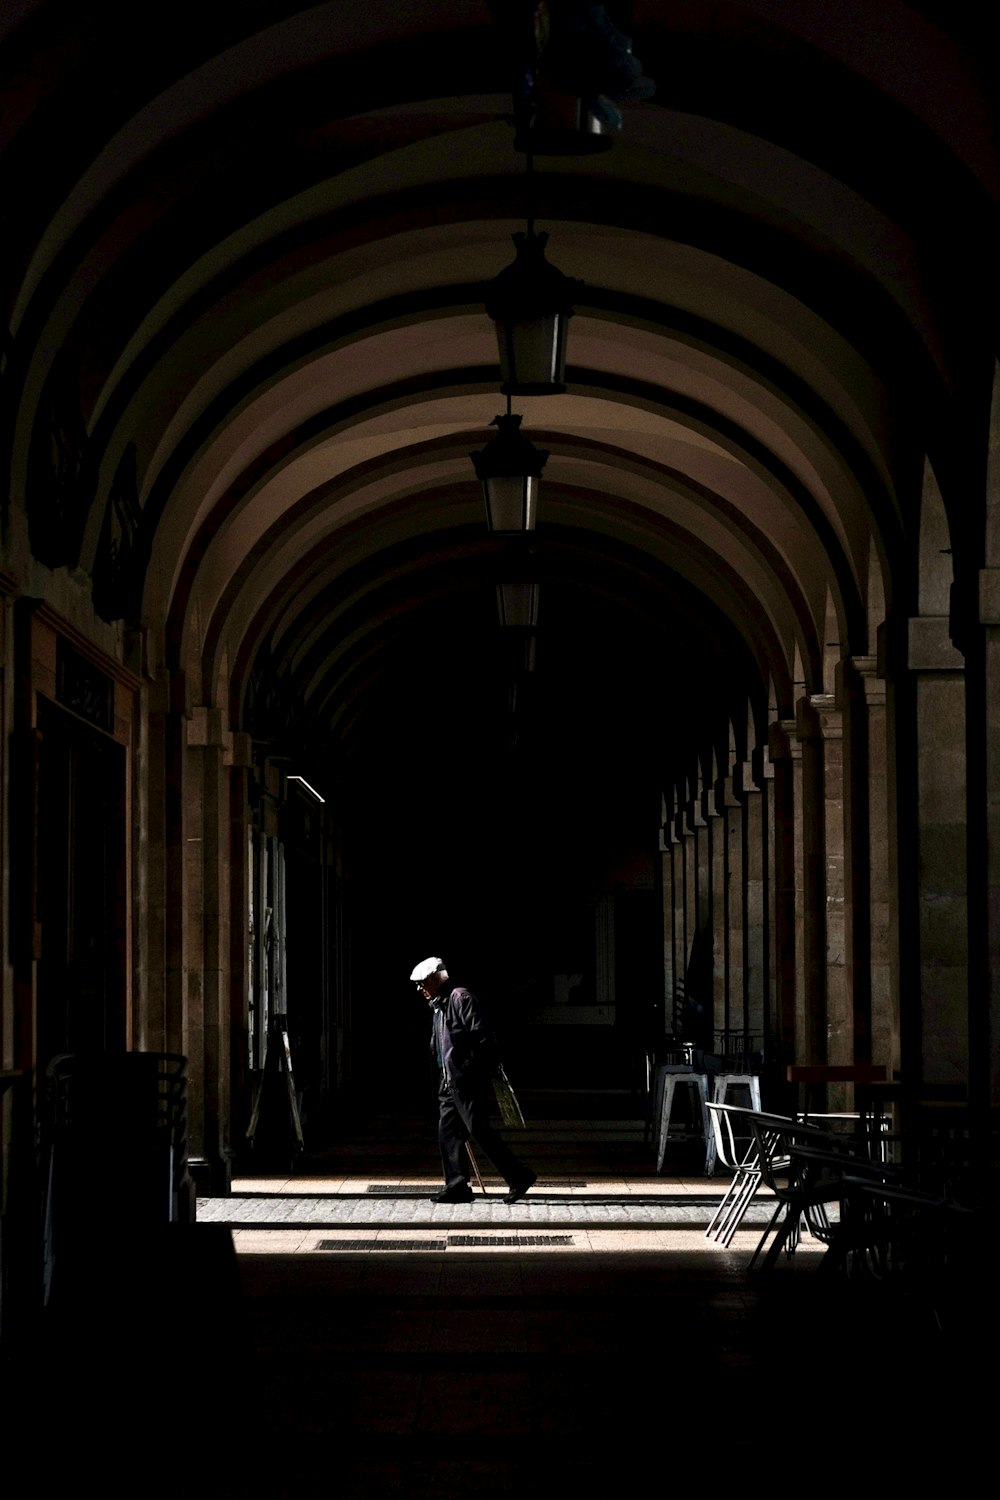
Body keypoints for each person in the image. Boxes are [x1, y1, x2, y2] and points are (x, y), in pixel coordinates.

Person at [410, 956, 537, 1204]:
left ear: (436, 979)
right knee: (448, 1133)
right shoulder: (439, 1005)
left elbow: (483, 1040)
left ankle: (519, 1176)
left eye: (422, 982)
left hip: (466, 1080)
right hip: (450, 1083)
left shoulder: (460, 998)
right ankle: (457, 1186)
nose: (419, 988)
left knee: (479, 1131)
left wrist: (468, 1070)